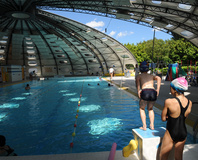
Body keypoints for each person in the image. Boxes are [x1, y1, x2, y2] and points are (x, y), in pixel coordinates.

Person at [160, 77, 192, 160]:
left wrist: (168, 116)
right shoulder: (190, 103)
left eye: (170, 88)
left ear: (174, 90)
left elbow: (163, 118)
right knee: (178, 157)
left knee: (163, 157)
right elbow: (185, 117)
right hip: (183, 132)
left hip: (171, 132)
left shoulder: (169, 101)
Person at [136, 61, 161, 130]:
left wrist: (138, 91)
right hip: (153, 92)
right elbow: (159, 78)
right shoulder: (151, 76)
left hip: (145, 91)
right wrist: (158, 89)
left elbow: (138, 85)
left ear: (140, 69)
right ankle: (152, 126)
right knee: (150, 109)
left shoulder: (139, 76)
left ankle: (144, 126)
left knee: (142, 108)